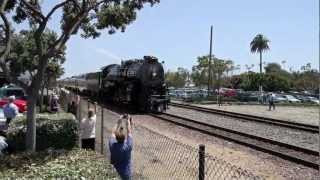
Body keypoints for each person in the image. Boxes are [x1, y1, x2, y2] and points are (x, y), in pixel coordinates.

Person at [109, 114, 133, 180]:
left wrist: (118, 121)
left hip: (114, 172)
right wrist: (128, 121)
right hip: (126, 173)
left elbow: (113, 133)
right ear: (125, 137)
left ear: (116, 137)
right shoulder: (128, 146)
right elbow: (129, 132)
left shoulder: (112, 145)